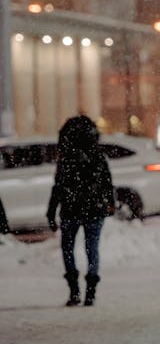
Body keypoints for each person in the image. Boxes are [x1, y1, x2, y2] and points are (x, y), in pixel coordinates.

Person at [47, 115, 115, 307]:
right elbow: (107, 183)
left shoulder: (66, 158)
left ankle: (74, 291)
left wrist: (51, 212)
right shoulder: (98, 156)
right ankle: (91, 292)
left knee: (68, 248)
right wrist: (110, 203)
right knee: (91, 248)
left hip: (70, 210)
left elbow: (58, 187)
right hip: (94, 209)